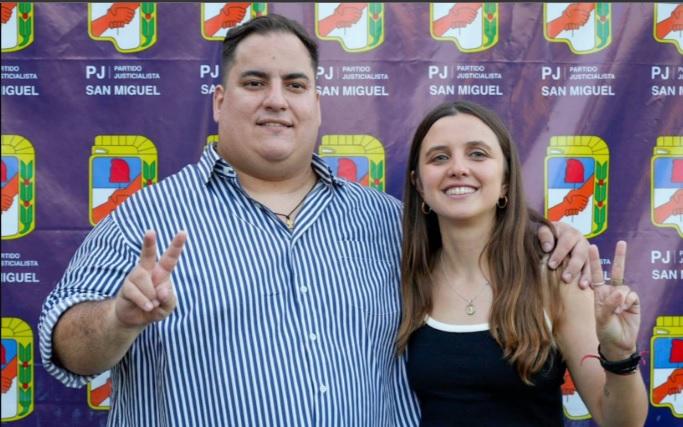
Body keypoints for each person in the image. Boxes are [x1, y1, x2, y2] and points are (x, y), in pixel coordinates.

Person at [39, 15, 591, 426]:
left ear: (318, 104)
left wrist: (549, 236)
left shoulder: (384, 219)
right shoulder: (145, 219)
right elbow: (66, 349)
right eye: (255, 83)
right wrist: (119, 319)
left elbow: (476, 227)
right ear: (219, 101)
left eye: (295, 85)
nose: (276, 100)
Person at [397, 100, 648, 426]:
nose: (458, 168)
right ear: (418, 184)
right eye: (439, 157)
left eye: (477, 154)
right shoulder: (403, 277)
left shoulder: (556, 276)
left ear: (505, 181)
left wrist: (619, 355)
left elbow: (621, 422)